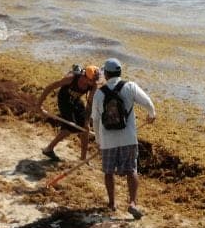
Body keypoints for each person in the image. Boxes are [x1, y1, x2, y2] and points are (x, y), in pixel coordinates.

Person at [91, 58, 156, 219]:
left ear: (106, 74)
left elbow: (96, 120)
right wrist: (151, 114)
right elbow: (147, 102)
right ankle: (133, 203)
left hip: (108, 140)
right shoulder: (130, 86)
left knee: (108, 172)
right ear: (120, 72)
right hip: (128, 138)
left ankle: (112, 203)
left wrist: (99, 141)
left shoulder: (99, 93)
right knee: (131, 170)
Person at [36, 64, 100, 161]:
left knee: (85, 128)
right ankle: (48, 149)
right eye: (92, 81)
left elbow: (89, 104)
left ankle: (83, 159)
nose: (94, 83)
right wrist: (39, 105)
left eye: (95, 80)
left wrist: (86, 122)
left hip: (75, 101)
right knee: (70, 127)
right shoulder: (71, 78)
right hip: (64, 100)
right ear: (85, 77)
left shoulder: (93, 85)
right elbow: (50, 87)